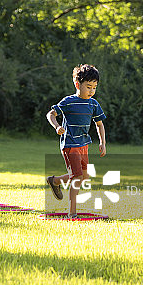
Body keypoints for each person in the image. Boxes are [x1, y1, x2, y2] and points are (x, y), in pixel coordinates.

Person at [46, 64, 106, 219]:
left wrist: (102, 142)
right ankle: (72, 212)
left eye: (94, 87)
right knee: (77, 177)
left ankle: (55, 181)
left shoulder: (94, 104)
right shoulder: (69, 101)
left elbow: (99, 124)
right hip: (70, 144)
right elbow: (50, 114)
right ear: (77, 84)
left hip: (83, 144)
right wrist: (57, 126)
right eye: (88, 87)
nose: (91, 91)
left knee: (83, 176)